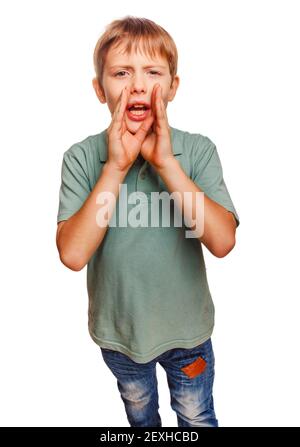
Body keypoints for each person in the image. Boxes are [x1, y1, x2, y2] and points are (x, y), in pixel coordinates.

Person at [56, 15, 240, 427]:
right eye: (122, 73)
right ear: (100, 89)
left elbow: (223, 242)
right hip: (120, 336)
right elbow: (72, 253)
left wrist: (166, 163)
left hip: (188, 334)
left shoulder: (196, 152)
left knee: (196, 415)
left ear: (173, 87)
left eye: (152, 72)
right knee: (141, 415)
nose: (138, 85)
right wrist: (117, 167)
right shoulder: (83, 159)